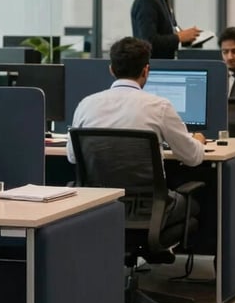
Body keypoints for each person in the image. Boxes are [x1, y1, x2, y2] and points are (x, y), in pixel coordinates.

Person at [67, 36, 205, 225]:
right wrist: (198, 141)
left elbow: (72, 157)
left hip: (99, 207)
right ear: (146, 70)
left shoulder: (86, 104)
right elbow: (192, 157)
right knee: (193, 205)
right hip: (150, 210)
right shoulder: (160, 106)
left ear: (111, 69)